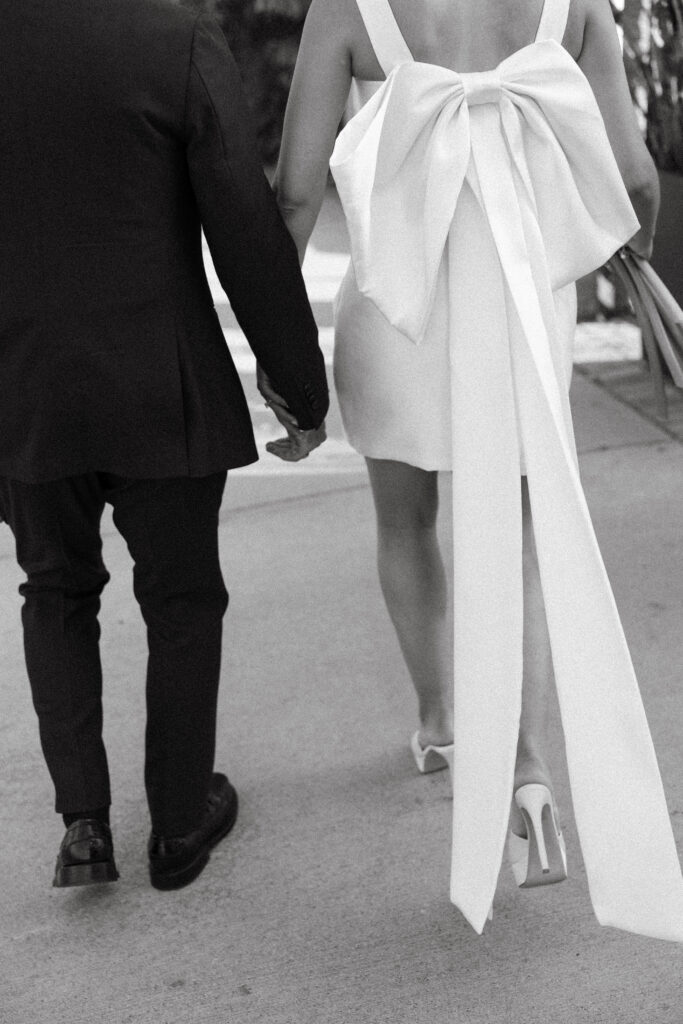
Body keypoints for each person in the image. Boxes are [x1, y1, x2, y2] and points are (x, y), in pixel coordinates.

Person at [273, 0, 683, 940]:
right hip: (521, 293)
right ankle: (531, 774)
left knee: (403, 521)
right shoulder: (576, 5)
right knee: (523, 547)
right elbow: (631, 177)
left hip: (397, 296)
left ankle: (442, 721)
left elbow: (296, 192)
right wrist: (633, 255)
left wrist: (276, 332)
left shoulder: (346, 7)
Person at [0, 0, 328, 891]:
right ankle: (180, 825)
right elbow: (241, 220)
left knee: (54, 586)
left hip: (22, 385)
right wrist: (296, 380)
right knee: (182, 598)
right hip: (160, 379)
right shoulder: (174, 34)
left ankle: (83, 827)